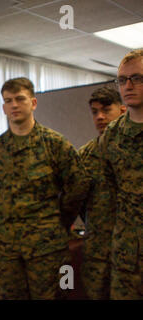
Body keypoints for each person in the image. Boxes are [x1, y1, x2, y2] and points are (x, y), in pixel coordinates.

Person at [0, 77, 90, 300]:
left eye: (20, 99)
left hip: (47, 246)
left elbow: (78, 185)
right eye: (8, 101)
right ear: (3, 107)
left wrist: (60, 219)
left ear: (33, 103)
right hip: (5, 248)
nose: (14, 105)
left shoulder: (55, 144)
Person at [98, 49, 143, 300]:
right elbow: (106, 199)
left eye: (137, 78)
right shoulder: (112, 136)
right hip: (127, 258)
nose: (128, 85)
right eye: (122, 80)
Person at [78, 87, 126, 299]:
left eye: (106, 110)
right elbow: (75, 200)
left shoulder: (134, 150)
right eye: (95, 112)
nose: (100, 117)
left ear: (122, 110)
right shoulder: (85, 155)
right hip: (96, 250)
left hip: (131, 252)